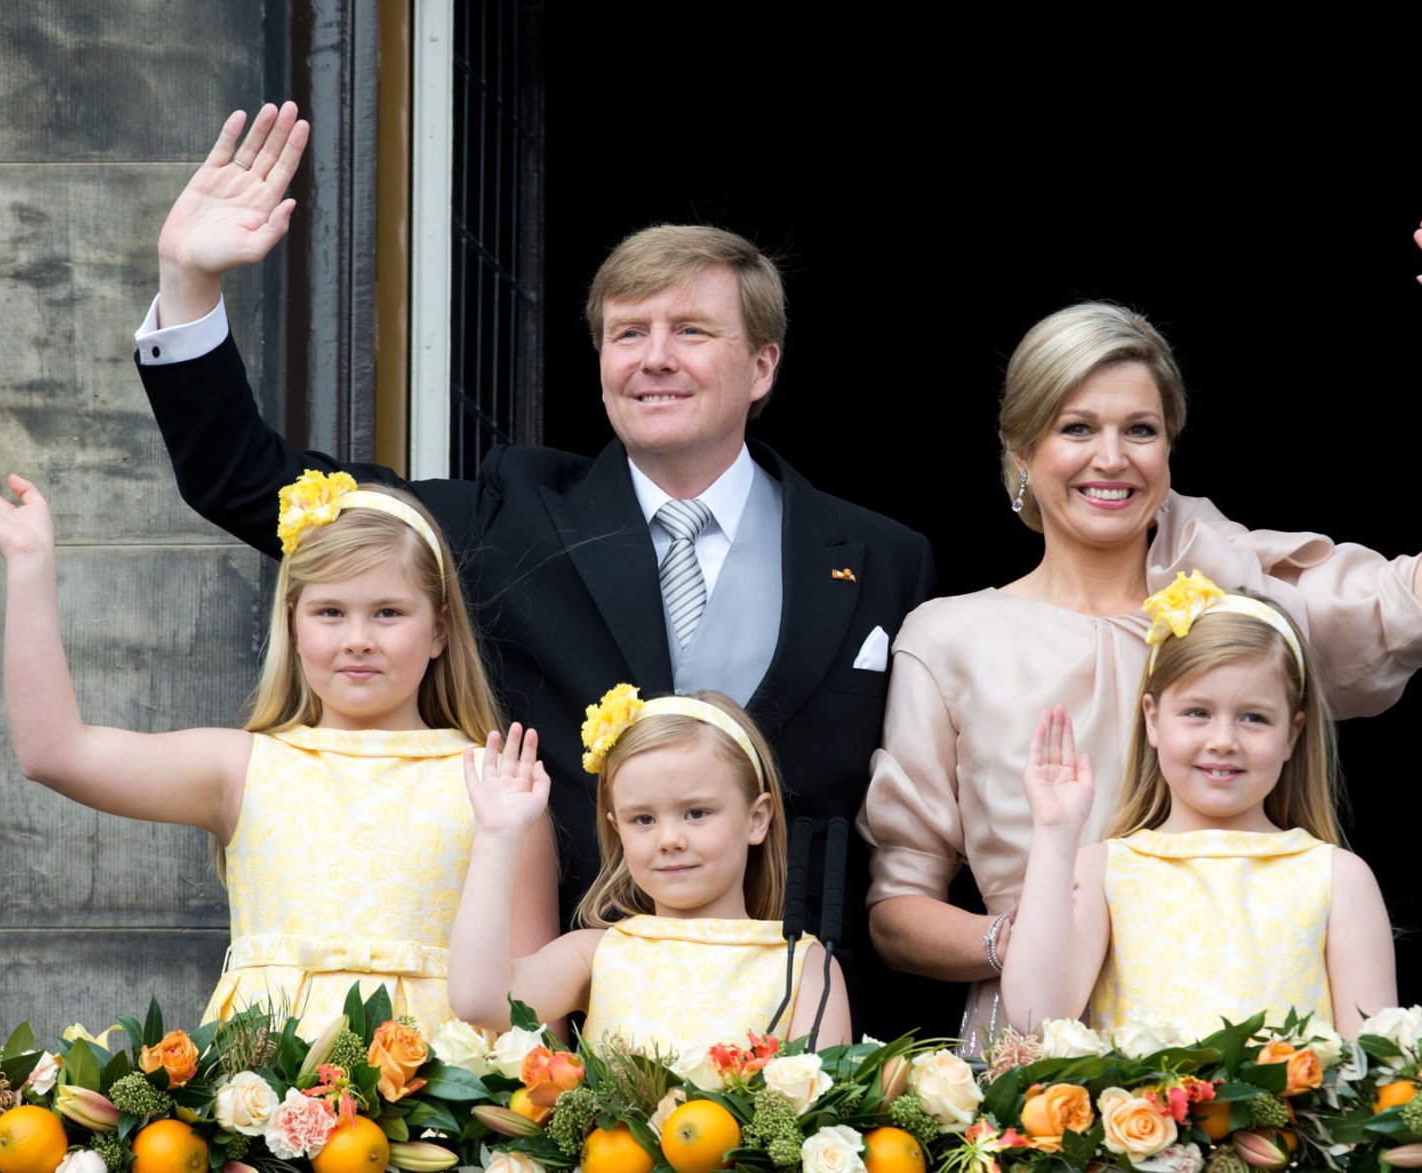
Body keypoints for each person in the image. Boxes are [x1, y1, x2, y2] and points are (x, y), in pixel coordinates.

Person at [134, 105, 934, 1026]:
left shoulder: (880, 555)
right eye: (628, 333)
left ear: (762, 365)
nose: (655, 359)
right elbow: (251, 484)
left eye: (691, 332)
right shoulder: (509, 513)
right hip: (559, 1011)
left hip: (798, 1021)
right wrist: (188, 283)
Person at [860, 219, 1422, 1048]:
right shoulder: (948, 637)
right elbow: (895, 910)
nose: (1112, 458)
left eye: (1141, 429)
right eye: (1076, 428)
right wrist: (1021, 942)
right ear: (1021, 451)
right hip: (1037, 1049)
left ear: (1171, 446)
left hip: (1242, 1050)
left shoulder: (1241, 595)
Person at [0, 462, 557, 1036]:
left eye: (389, 612)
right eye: (330, 612)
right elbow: (55, 752)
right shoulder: (245, 766)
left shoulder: (498, 785)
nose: (358, 639)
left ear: (439, 630)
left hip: (441, 1125)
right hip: (260, 1114)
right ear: (293, 623)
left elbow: (536, 1016)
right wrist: (27, 562)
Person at [999, 577, 1395, 1040]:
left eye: (1254, 718)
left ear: (1292, 733)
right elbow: (1034, 1019)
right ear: (1152, 718)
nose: (1223, 741)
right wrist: (1055, 831)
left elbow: (1374, 1063)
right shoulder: (1105, 870)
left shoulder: (1337, 877)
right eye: (1197, 713)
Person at [448, 686, 850, 1051]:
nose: (668, 839)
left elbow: (820, 1108)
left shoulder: (804, 966)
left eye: (696, 812)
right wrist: (497, 836)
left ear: (757, 819)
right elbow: (479, 1000)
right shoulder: (596, 954)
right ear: (616, 828)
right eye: (643, 819)